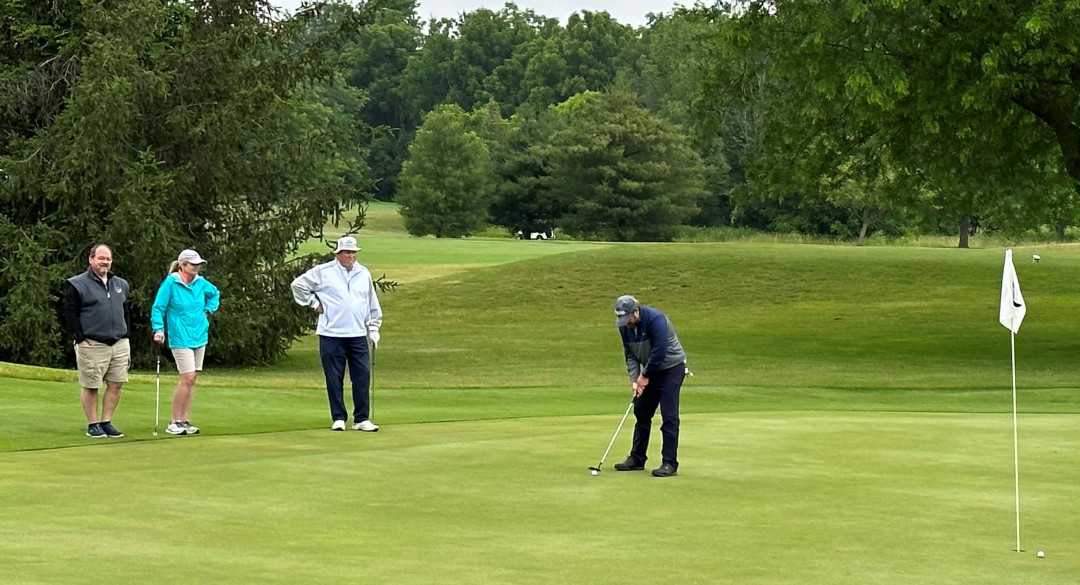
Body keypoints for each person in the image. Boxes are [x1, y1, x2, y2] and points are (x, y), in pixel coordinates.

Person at [291, 236, 382, 432]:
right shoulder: (323, 272)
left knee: (362, 376)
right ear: (338, 254)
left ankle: (361, 419)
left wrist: (373, 327)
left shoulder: (363, 273)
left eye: (354, 252)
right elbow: (297, 285)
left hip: (357, 334)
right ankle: (339, 417)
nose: (351, 256)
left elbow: (371, 301)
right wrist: (314, 303)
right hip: (331, 333)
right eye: (347, 252)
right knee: (334, 377)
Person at [611, 295, 687, 477]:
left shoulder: (655, 319)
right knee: (642, 411)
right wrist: (635, 379)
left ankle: (670, 463)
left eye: (626, 317)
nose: (624, 322)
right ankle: (637, 458)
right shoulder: (624, 327)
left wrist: (644, 377)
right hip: (650, 371)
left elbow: (659, 352)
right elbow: (629, 355)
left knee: (669, 416)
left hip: (671, 368)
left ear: (636, 311)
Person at [64, 244, 131, 438]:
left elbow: (124, 311)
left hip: (118, 342)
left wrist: (126, 336)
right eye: (101, 258)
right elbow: (71, 313)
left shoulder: (120, 284)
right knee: (92, 385)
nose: (105, 262)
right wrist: (80, 338)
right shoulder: (77, 284)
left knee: (116, 383)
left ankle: (106, 421)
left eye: (108, 259)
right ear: (91, 259)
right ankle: (93, 424)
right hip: (92, 343)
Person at [151, 249, 221, 436]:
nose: (196, 267)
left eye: (198, 264)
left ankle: (184, 420)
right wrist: (158, 329)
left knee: (192, 380)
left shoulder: (200, 283)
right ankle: (174, 421)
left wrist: (208, 310)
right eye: (193, 264)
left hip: (200, 335)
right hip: (180, 336)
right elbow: (158, 307)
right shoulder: (171, 284)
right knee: (187, 377)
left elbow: (215, 294)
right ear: (182, 265)